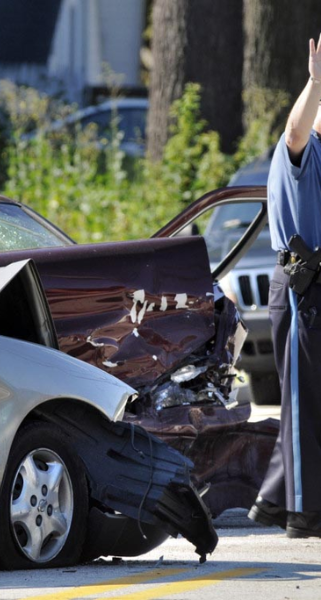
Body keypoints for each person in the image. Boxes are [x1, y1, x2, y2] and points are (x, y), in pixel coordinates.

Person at [248, 34, 321, 538]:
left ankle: (273, 502)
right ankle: (300, 514)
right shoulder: (304, 151)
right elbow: (295, 131)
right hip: (303, 286)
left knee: (312, 402)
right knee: (302, 406)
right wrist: (315, 83)